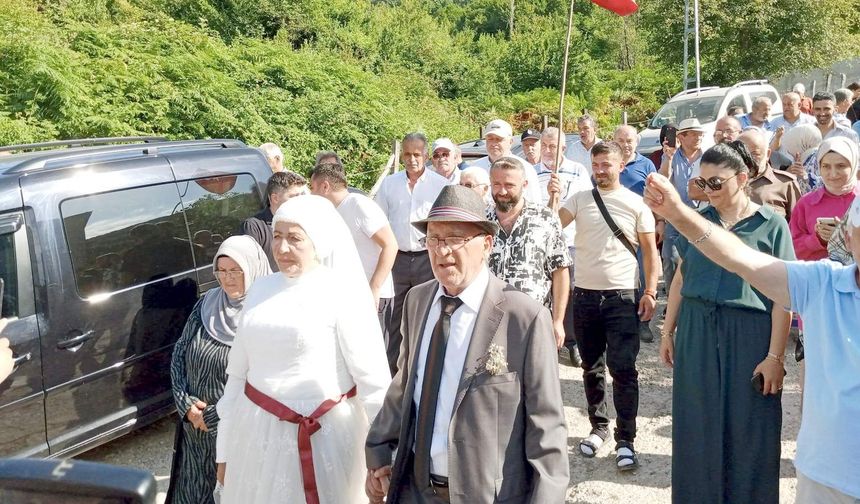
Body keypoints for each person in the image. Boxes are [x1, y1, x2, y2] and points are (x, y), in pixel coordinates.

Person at [641, 172, 860, 504]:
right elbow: (737, 257)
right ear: (850, 233)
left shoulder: (774, 226)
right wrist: (677, 213)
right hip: (826, 477)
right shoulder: (822, 284)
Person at [365, 185, 569, 504]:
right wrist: (378, 450)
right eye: (433, 239)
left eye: (455, 239)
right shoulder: (418, 301)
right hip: (415, 490)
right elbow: (405, 384)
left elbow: (547, 428)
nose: (441, 251)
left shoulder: (524, 317)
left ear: (486, 244)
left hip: (488, 495)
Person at [215, 195, 391, 503]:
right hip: (256, 439)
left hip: (326, 439)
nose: (282, 249)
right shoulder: (260, 289)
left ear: (318, 241)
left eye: (295, 238)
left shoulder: (343, 293)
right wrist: (225, 449)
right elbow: (237, 376)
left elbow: (373, 382)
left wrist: (384, 457)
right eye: (278, 236)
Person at [658, 142, 794, 504]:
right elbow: (681, 280)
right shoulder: (700, 220)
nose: (707, 192)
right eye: (701, 184)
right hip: (697, 329)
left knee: (750, 427)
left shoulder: (773, 225)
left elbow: (785, 296)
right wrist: (668, 331)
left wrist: (775, 357)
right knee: (696, 422)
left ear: (743, 178)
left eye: (715, 183)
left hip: (749, 332)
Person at [556, 141, 659, 470]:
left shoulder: (636, 203)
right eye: (595, 164)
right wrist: (551, 198)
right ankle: (598, 427)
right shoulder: (579, 199)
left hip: (622, 296)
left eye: (606, 164)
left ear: (621, 165)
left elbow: (650, 253)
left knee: (624, 370)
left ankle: (625, 438)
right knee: (591, 367)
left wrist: (652, 291)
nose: (600, 170)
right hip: (584, 295)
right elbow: (550, 226)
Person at [166, 236, 272, 504]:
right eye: (221, 271)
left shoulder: (265, 313)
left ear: (252, 269)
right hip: (194, 430)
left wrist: (213, 417)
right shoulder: (207, 302)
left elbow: (263, 381)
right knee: (190, 492)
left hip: (235, 432)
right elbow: (179, 352)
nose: (227, 279)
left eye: (236, 270)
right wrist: (185, 404)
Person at [374, 132, 449, 374]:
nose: (412, 159)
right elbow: (378, 220)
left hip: (428, 259)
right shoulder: (390, 184)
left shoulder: (441, 185)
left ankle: (426, 367)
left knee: (428, 312)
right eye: (407, 154)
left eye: (417, 154)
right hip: (397, 259)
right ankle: (392, 372)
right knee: (395, 316)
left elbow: (446, 222)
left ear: (426, 156)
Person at [486, 156, 572, 350]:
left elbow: (560, 271)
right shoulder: (481, 222)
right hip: (488, 320)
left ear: (524, 184)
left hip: (533, 320)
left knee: (534, 378)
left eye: (509, 185)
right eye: (496, 184)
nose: (502, 191)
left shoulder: (546, 219)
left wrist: (558, 321)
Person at [310, 162, 398, 337]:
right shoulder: (334, 211)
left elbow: (390, 245)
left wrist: (374, 288)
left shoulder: (359, 205)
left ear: (325, 186)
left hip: (373, 298)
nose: (311, 193)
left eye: (313, 188)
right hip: (350, 296)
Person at [536, 127, 593, 365]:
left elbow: (583, 204)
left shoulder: (577, 170)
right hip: (539, 242)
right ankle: (541, 338)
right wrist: (549, 197)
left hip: (568, 242)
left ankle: (571, 341)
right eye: (545, 146)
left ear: (563, 148)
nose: (548, 150)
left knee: (569, 292)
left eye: (553, 146)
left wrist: (560, 198)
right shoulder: (531, 171)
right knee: (542, 292)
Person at [790, 137, 859, 262]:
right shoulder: (806, 204)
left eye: (841, 166)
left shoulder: (858, 199)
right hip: (818, 278)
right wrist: (818, 239)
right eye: (826, 166)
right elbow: (791, 248)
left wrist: (845, 236)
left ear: (853, 165)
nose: (833, 174)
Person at [659, 117, 708, 295]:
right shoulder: (671, 155)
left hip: (701, 214)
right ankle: (673, 300)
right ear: (682, 137)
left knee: (701, 258)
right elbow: (663, 178)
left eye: (700, 134)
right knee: (670, 258)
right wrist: (669, 158)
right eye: (694, 134)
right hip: (675, 215)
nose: (698, 138)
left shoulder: (708, 156)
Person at [239, 171, 307, 270]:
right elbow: (250, 269)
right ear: (275, 198)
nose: (301, 201)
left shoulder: (303, 222)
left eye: (302, 196)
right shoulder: (254, 227)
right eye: (295, 196)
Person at [469, 119, 541, 202]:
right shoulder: (474, 167)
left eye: (499, 139)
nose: (493, 143)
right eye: (490, 139)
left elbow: (535, 203)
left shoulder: (525, 168)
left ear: (510, 142)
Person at [740, 127, 801, 222]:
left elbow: (798, 224)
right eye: (743, 153)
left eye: (755, 154)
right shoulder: (727, 183)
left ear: (768, 154)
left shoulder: (785, 183)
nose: (748, 159)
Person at [782, 124, 824, 194]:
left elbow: (827, 186)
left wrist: (806, 177)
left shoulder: (817, 158)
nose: (789, 151)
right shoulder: (805, 158)